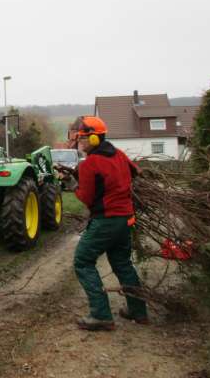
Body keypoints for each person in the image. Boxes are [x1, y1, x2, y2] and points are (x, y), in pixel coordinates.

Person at [62, 115, 148, 331]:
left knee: (83, 261)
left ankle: (101, 315)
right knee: (122, 264)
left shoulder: (91, 163)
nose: (78, 142)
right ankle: (138, 312)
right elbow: (136, 172)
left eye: (81, 138)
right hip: (125, 219)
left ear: (92, 139)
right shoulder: (118, 154)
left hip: (106, 221)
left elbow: (87, 198)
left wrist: (73, 185)